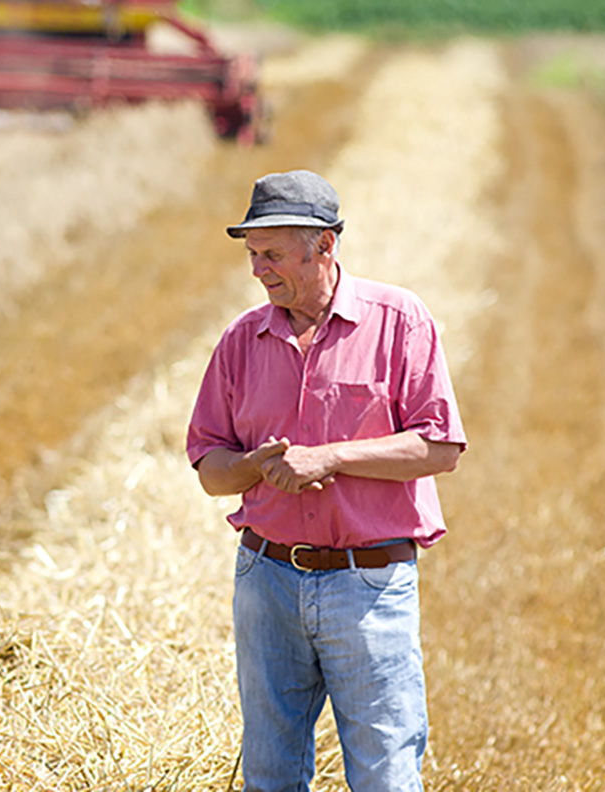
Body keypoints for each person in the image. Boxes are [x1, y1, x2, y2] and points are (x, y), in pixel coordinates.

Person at [186, 170, 466, 791]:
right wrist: (257, 465)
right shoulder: (240, 341)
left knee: (385, 772)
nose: (259, 270)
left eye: (274, 254)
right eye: (253, 255)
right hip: (267, 580)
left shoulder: (399, 321)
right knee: (270, 772)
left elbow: (440, 446)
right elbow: (210, 469)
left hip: (368, 583)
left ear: (326, 246)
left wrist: (329, 457)